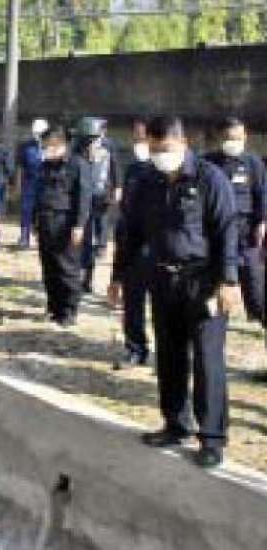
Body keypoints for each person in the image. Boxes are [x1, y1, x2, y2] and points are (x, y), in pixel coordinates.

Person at [109, 116, 239, 468]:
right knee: (169, 355)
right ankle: (176, 424)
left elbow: (227, 231)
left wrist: (228, 282)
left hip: (203, 282)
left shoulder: (210, 179)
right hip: (163, 279)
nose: (159, 156)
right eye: (153, 149)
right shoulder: (146, 180)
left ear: (183, 144)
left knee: (208, 360)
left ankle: (212, 438)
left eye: (164, 149)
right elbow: (131, 232)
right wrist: (119, 275)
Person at [203, 117, 266, 327]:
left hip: (246, 234)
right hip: (216, 234)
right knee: (215, 282)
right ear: (220, 138)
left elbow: (262, 195)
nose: (233, 142)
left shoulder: (254, 164)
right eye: (229, 138)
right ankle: (214, 323)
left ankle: (257, 314)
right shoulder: (209, 164)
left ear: (245, 137)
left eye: (238, 138)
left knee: (255, 285)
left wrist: (262, 221)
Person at [35, 127, 92, 327]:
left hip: (65, 222)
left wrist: (79, 225)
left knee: (67, 268)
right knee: (49, 266)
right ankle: (54, 307)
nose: (45, 150)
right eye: (43, 146)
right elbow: (39, 193)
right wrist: (35, 220)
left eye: (48, 146)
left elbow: (83, 197)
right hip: (45, 220)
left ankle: (69, 310)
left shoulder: (77, 164)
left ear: (61, 145)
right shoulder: (45, 166)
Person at [115, 118, 152, 366]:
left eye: (143, 138)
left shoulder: (172, 172)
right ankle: (135, 348)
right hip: (134, 245)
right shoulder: (133, 170)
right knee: (132, 302)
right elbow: (125, 213)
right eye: (136, 138)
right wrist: (116, 272)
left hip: (162, 248)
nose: (139, 143)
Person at [74, 116, 120, 293]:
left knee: (97, 228)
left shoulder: (109, 146)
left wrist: (117, 186)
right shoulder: (78, 149)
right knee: (83, 238)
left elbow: (115, 166)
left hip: (101, 193)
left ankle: (88, 276)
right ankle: (79, 277)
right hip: (82, 196)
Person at [14, 118, 49, 249]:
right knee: (26, 210)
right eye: (36, 133)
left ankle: (43, 238)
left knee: (44, 212)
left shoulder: (52, 146)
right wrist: (17, 185)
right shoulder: (25, 147)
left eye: (40, 133)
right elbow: (20, 167)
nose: (38, 136)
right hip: (29, 183)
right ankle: (24, 237)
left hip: (47, 184)